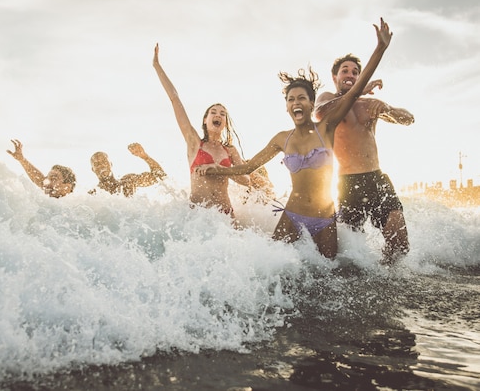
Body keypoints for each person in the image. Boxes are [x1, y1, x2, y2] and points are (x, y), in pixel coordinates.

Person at [196, 18, 392, 258]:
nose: (296, 103)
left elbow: (354, 91)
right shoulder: (281, 138)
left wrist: (380, 49)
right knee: (276, 272)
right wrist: (216, 170)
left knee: (329, 277)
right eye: (291, 99)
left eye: (301, 98)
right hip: (292, 217)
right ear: (287, 107)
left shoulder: (326, 128)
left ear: (311, 103)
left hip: (324, 220)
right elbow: (248, 167)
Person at [314, 52, 414, 264]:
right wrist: (358, 91)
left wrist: (387, 108)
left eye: (355, 72)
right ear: (335, 77)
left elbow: (408, 119)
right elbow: (319, 113)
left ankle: (386, 277)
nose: (350, 74)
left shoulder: (369, 105)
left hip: (377, 179)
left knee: (400, 244)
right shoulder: (328, 99)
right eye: (345, 71)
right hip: (349, 184)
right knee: (350, 251)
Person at [152, 44, 250, 217]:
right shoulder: (194, 142)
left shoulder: (230, 150)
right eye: (213, 112)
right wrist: (157, 66)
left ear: (225, 123)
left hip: (226, 215)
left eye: (222, 114)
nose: (217, 115)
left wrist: (218, 168)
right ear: (205, 120)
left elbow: (245, 180)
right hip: (198, 217)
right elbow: (175, 99)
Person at [89, 142, 166, 197]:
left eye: (104, 161)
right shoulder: (92, 196)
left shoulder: (128, 182)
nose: (101, 165)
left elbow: (160, 176)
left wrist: (145, 157)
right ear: (93, 170)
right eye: (97, 164)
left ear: (111, 164)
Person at [6, 139, 76, 198]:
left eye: (54, 178)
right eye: (47, 178)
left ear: (67, 187)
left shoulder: (77, 205)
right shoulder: (43, 202)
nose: (46, 182)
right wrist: (22, 160)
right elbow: (39, 178)